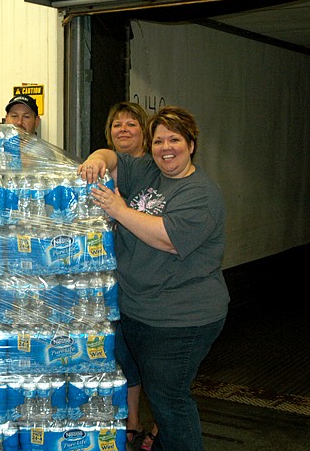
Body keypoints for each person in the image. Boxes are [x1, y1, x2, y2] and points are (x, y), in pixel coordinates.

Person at [79, 106, 229, 451]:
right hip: (140, 310)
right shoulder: (148, 170)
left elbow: (167, 238)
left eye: (174, 139)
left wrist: (118, 209)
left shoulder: (200, 193)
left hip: (181, 318)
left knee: (169, 401)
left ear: (191, 145)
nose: (166, 147)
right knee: (160, 397)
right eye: (159, 140)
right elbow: (114, 158)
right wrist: (96, 160)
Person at [104, 101, 159, 450]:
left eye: (131, 124)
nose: (123, 130)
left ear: (145, 131)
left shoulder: (157, 170)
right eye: (116, 125)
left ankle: (162, 424)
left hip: (149, 279)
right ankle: (133, 419)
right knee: (124, 353)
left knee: (157, 360)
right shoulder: (104, 167)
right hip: (110, 277)